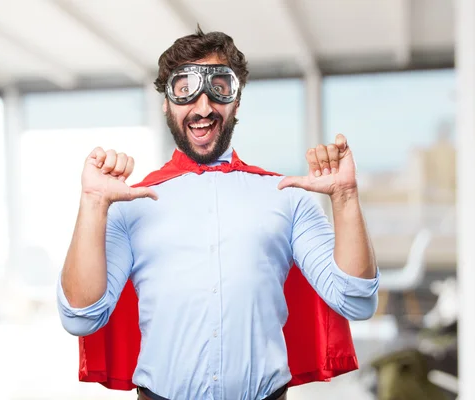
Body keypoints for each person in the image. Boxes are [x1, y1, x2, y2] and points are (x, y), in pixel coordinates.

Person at [57, 27, 379, 400]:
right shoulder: (132, 205)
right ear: (166, 102)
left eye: (220, 87)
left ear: (237, 102)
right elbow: (80, 318)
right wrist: (94, 203)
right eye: (184, 88)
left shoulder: (286, 197)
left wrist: (345, 197)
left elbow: (356, 300)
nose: (204, 106)